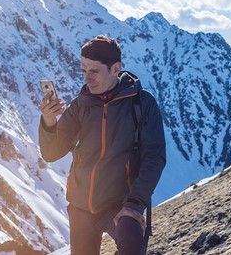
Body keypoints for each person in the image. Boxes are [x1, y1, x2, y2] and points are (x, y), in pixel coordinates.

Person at [38, 35, 166, 255]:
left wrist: (134, 205)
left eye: (94, 71)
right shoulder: (81, 105)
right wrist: (49, 125)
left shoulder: (142, 102)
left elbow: (154, 158)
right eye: (83, 71)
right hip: (81, 206)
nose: (87, 79)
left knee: (133, 247)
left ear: (116, 69)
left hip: (121, 202)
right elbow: (51, 153)